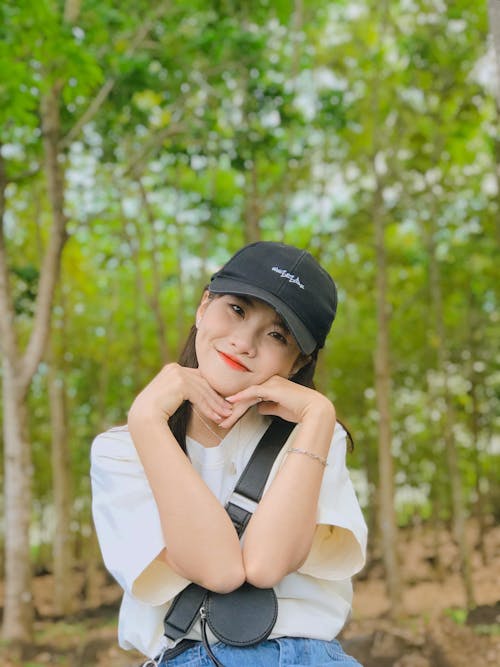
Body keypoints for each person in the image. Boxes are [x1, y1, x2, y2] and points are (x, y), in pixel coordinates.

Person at [91, 241, 367, 667]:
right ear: (204, 307)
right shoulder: (121, 449)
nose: (243, 342)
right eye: (237, 309)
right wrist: (147, 418)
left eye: (277, 334)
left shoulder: (313, 435)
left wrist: (319, 413)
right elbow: (219, 570)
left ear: (297, 363)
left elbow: (263, 565)